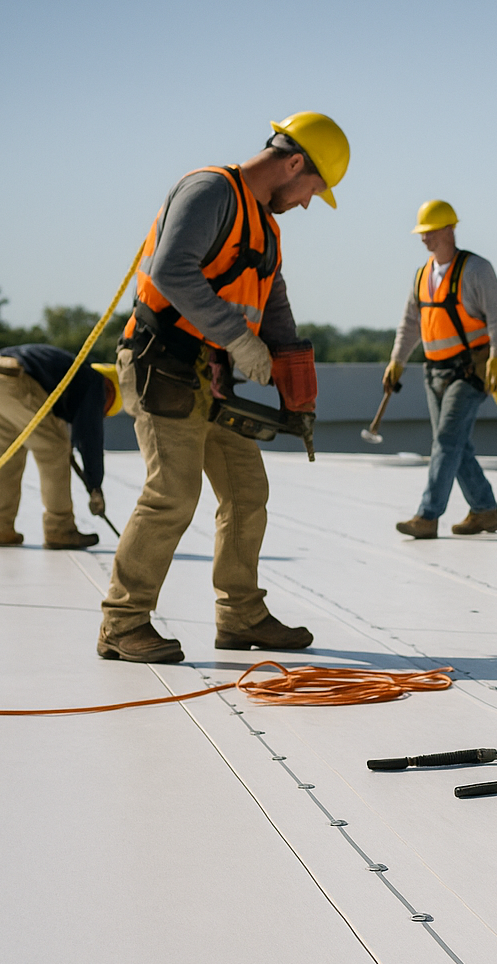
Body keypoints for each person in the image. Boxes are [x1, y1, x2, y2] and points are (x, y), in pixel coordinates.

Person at [97, 112, 348, 664]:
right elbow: (171, 270)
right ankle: (123, 621)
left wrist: (291, 375)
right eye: (314, 188)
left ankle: (241, 615)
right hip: (161, 363)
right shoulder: (212, 190)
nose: (309, 201)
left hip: (210, 376)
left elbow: (274, 305)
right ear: (295, 163)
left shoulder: (267, 228)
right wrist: (239, 339)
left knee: (245, 491)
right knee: (172, 494)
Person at [384, 200, 497, 539]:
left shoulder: (476, 270)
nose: (424, 239)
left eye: (430, 231)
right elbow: (410, 323)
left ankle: (427, 516)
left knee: (446, 442)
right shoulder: (422, 275)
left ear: (450, 229)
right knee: (454, 446)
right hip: (433, 372)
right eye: (421, 233)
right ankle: (485, 511)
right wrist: (398, 360)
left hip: (469, 373)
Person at [0, 344, 118, 548]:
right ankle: (60, 529)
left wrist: (68, 448)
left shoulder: (70, 375)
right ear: (110, 389)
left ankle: (1, 528)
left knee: (7, 461)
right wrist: (95, 485)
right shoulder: (95, 383)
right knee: (54, 452)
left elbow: (67, 428)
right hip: (15, 378)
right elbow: (90, 438)